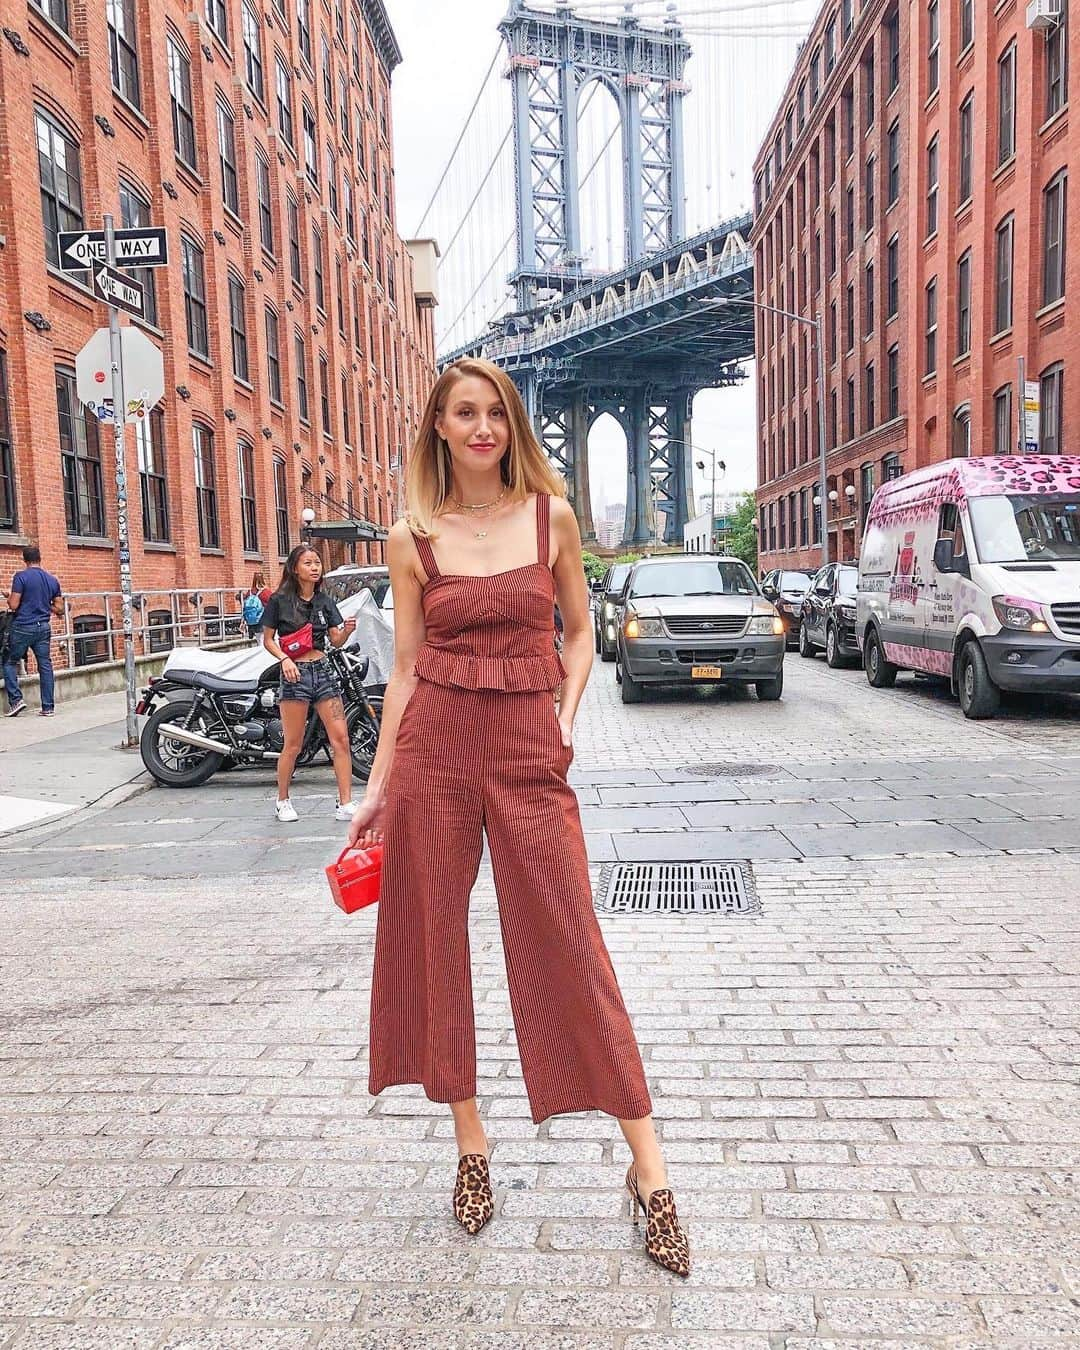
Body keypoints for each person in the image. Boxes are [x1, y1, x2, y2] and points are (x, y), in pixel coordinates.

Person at [347, 357, 690, 1276]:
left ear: (511, 427)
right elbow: (407, 670)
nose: (483, 427)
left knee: (571, 939)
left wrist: (565, 715)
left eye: (496, 412)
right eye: (465, 413)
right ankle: (471, 1144)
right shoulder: (412, 534)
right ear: (440, 428)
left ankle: (648, 1171)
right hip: (437, 751)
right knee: (433, 937)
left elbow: (579, 635)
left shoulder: (553, 517)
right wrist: (378, 787)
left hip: (529, 750)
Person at [262, 546, 357, 823]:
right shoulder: (279, 601)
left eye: (317, 563)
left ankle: (345, 802)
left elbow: (335, 640)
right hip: (295, 675)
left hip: (323, 671)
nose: (314, 568)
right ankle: (282, 800)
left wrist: (347, 631)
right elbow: (268, 640)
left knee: (341, 738)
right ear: (295, 568)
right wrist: (284, 660)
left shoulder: (324, 601)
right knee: (293, 743)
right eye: (308, 563)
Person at [3, 545, 63, 718]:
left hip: (23, 626)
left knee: (8, 661)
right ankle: (48, 707)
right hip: (43, 627)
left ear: (25, 560)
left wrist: (9, 597)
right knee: (45, 666)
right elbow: (59, 608)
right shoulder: (52, 580)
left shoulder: (21, 577)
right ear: (39, 558)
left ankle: (16, 700)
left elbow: (14, 605)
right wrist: (45, 605)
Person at [242, 570, 271, 639]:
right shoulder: (266, 592)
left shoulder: (250, 592)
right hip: (263, 620)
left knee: (259, 639)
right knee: (265, 641)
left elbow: (244, 603)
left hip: (252, 620)